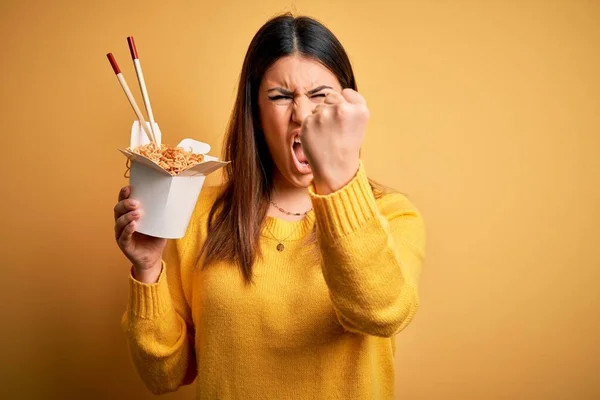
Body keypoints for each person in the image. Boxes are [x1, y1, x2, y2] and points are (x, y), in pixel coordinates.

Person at [114, 13, 425, 400]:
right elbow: (164, 376)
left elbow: (381, 313)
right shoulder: (198, 216)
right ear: (256, 116)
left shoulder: (393, 215)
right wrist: (147, 267)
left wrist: (338, 178)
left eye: (321, 95)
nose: (302, 113)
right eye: (280, 97)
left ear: (345, 112)